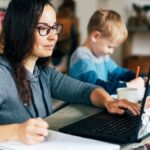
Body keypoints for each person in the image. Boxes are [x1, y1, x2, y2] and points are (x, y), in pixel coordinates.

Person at [0, 0, 140, 145]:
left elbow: (83, 90)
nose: (54, 36)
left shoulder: (44, 73)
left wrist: (108, 101)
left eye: (54, 27)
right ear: (20, 29)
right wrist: (16, 131)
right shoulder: (2, 74)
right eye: (43, 28)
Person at [69, 9, 145, 95]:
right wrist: (128, 86)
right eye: (110, 46)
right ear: (95, 36)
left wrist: (140, 77)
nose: (111, 51)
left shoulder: (102, 56)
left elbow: (119, 73)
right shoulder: (81, 56)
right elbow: (95, 87)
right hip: (78, 106)